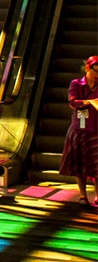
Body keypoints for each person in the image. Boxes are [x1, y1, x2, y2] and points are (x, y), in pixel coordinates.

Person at [59, 55, 98, 207]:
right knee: (79, 163)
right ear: (88, 68)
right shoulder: (76, 83)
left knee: (96, 163)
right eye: (96, 70)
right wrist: (89, 102)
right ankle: (82, 195)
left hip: (96, 126)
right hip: (80, 126)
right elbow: (72, 101)